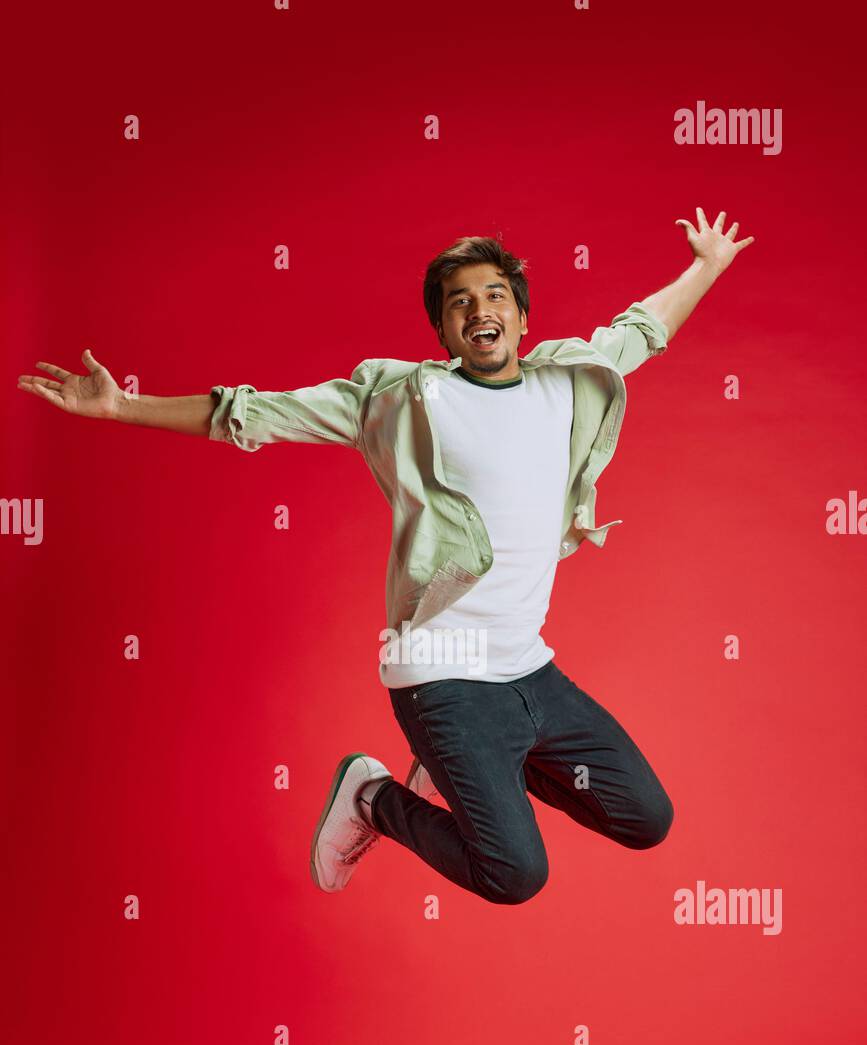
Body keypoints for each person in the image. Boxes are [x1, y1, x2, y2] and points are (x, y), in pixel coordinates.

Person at [17, 208, 754, 904]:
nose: (478, 309)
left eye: (493, 294)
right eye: (457, 302)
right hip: (442, 671)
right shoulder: (401, 397)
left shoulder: (567, 380)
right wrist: (124, 407)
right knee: (514, 875)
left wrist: (707, 266)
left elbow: (642, 330)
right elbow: (249, 413)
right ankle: (370, 793)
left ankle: (462, 767)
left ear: (522, 318)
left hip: (528, 667)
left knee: (644, 818)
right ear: (442, 328)